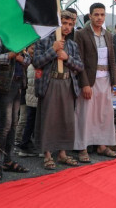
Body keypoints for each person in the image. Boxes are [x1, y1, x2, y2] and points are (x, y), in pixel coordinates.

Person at [33, 10, 84, 169]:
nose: (67, 27)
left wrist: (66, 58)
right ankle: (47, 154)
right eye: (64, 23)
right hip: (50, 83)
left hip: (67, 84)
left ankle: (62, 153)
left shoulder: (72, 45)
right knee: (49, 119)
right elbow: (36, 62)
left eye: (70, 24)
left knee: (66, 120)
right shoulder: (43, 41)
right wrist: (53, 50)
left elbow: (80, 66)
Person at [74, 3, 116, 161]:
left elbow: (111, 59)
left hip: (105, 79)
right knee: (85, 115)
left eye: (102, 14)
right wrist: (85, 83)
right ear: (90, 15)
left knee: (104, 114)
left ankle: (102, 145)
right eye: (96, 14)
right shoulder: (81, 34)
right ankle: (82, 148)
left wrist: (114, 82)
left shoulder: (108, 34)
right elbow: (79, 61)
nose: (100, 17)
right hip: (90, 81)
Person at [0, 32, 31, 181]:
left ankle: (7, 160)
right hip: (4, 85)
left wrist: (20, 57)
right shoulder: (0, 34)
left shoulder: (20, 36)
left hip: (17, 84)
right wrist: (11, 55)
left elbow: (29, 59)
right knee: (5, 125)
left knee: (13, 125)